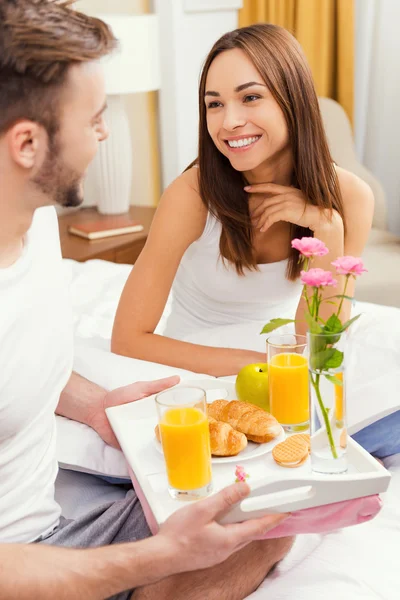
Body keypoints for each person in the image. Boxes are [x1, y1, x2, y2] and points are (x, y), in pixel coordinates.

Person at [0, 3, 293, 599]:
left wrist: (96, 405)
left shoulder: (35, 213)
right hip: (15, 565)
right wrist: (154, 559)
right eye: (97, 118)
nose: (105, 133)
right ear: (28, 143)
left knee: (271, 517)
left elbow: (20, 361)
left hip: (56, 512)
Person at [112, 23, 374, 377]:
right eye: (215, 104)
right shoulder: (191, 196)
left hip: (289, 367)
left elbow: (319, 347)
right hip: (197, 370)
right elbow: (128, 340)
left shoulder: (349, 198)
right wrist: (262, 365)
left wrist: (327, 227)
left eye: (250, 97)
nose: (229, 122)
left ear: (292, 100)